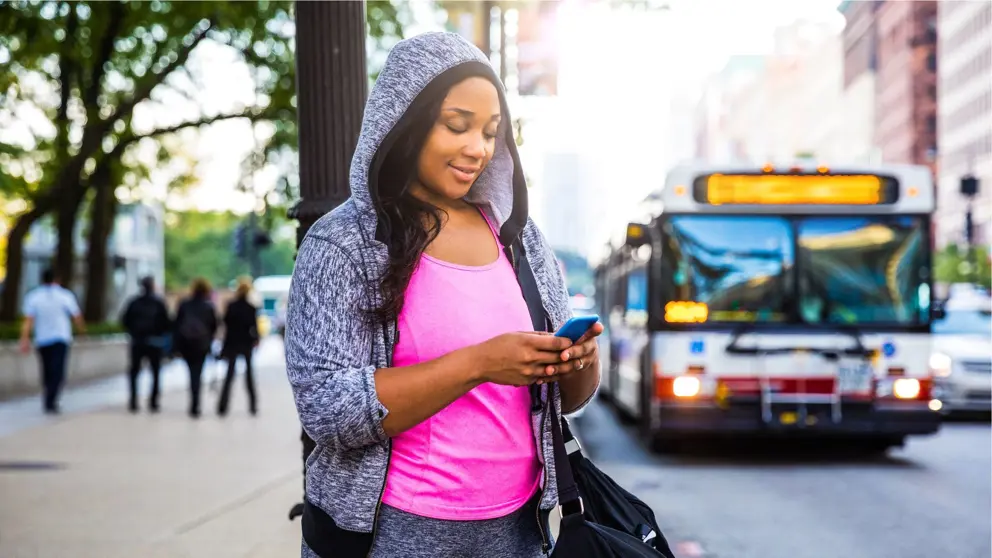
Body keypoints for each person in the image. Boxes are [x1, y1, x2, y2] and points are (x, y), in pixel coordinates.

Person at [285, 32, 603, 558]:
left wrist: (576, 362)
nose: (477, 148)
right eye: (457, 125)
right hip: (394, 536)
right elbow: (327, 408)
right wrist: (478, 364)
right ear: (404, 123)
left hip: (519, 535)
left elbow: (567, 401)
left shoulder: (519, 238)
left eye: (490, 131)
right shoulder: (343, 244)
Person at [19, 268, 85, 414]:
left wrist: (24, 338)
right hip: (61, 338)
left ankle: (48, 396)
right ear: (57, 279)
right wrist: (81, 331)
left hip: (42, 339)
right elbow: (76, 316)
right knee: (58, 371)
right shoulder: (65, 295)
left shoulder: (34, 296)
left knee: (47, 369)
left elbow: (28, 321)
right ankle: (52, 398)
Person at [120, 276, 171, 413]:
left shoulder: (134, 302)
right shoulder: (159, 303)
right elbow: (167, 323)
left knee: (134, 372)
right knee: (155, 372)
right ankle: (153, 402)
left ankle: (133, 401)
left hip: (137, 341)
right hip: (154, 342)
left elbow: (124, 320)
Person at [173, 277, 217, 418]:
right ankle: (195, 404)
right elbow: (214, 326)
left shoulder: (184, 304)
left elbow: (176, 324)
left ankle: (193, 401)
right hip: (201, 344)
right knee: (197, 373)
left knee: (191, 372)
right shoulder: (208, 306)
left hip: (186, 344)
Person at [217, 276, 260, 416]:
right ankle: (253, 406)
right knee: (249, 375)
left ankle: (222, 406)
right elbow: (254, 327)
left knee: (229, 374)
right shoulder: (251, 308)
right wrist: (256, 340)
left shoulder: (231, 306)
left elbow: (226, 325)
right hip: (246, 343)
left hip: (232, 343)